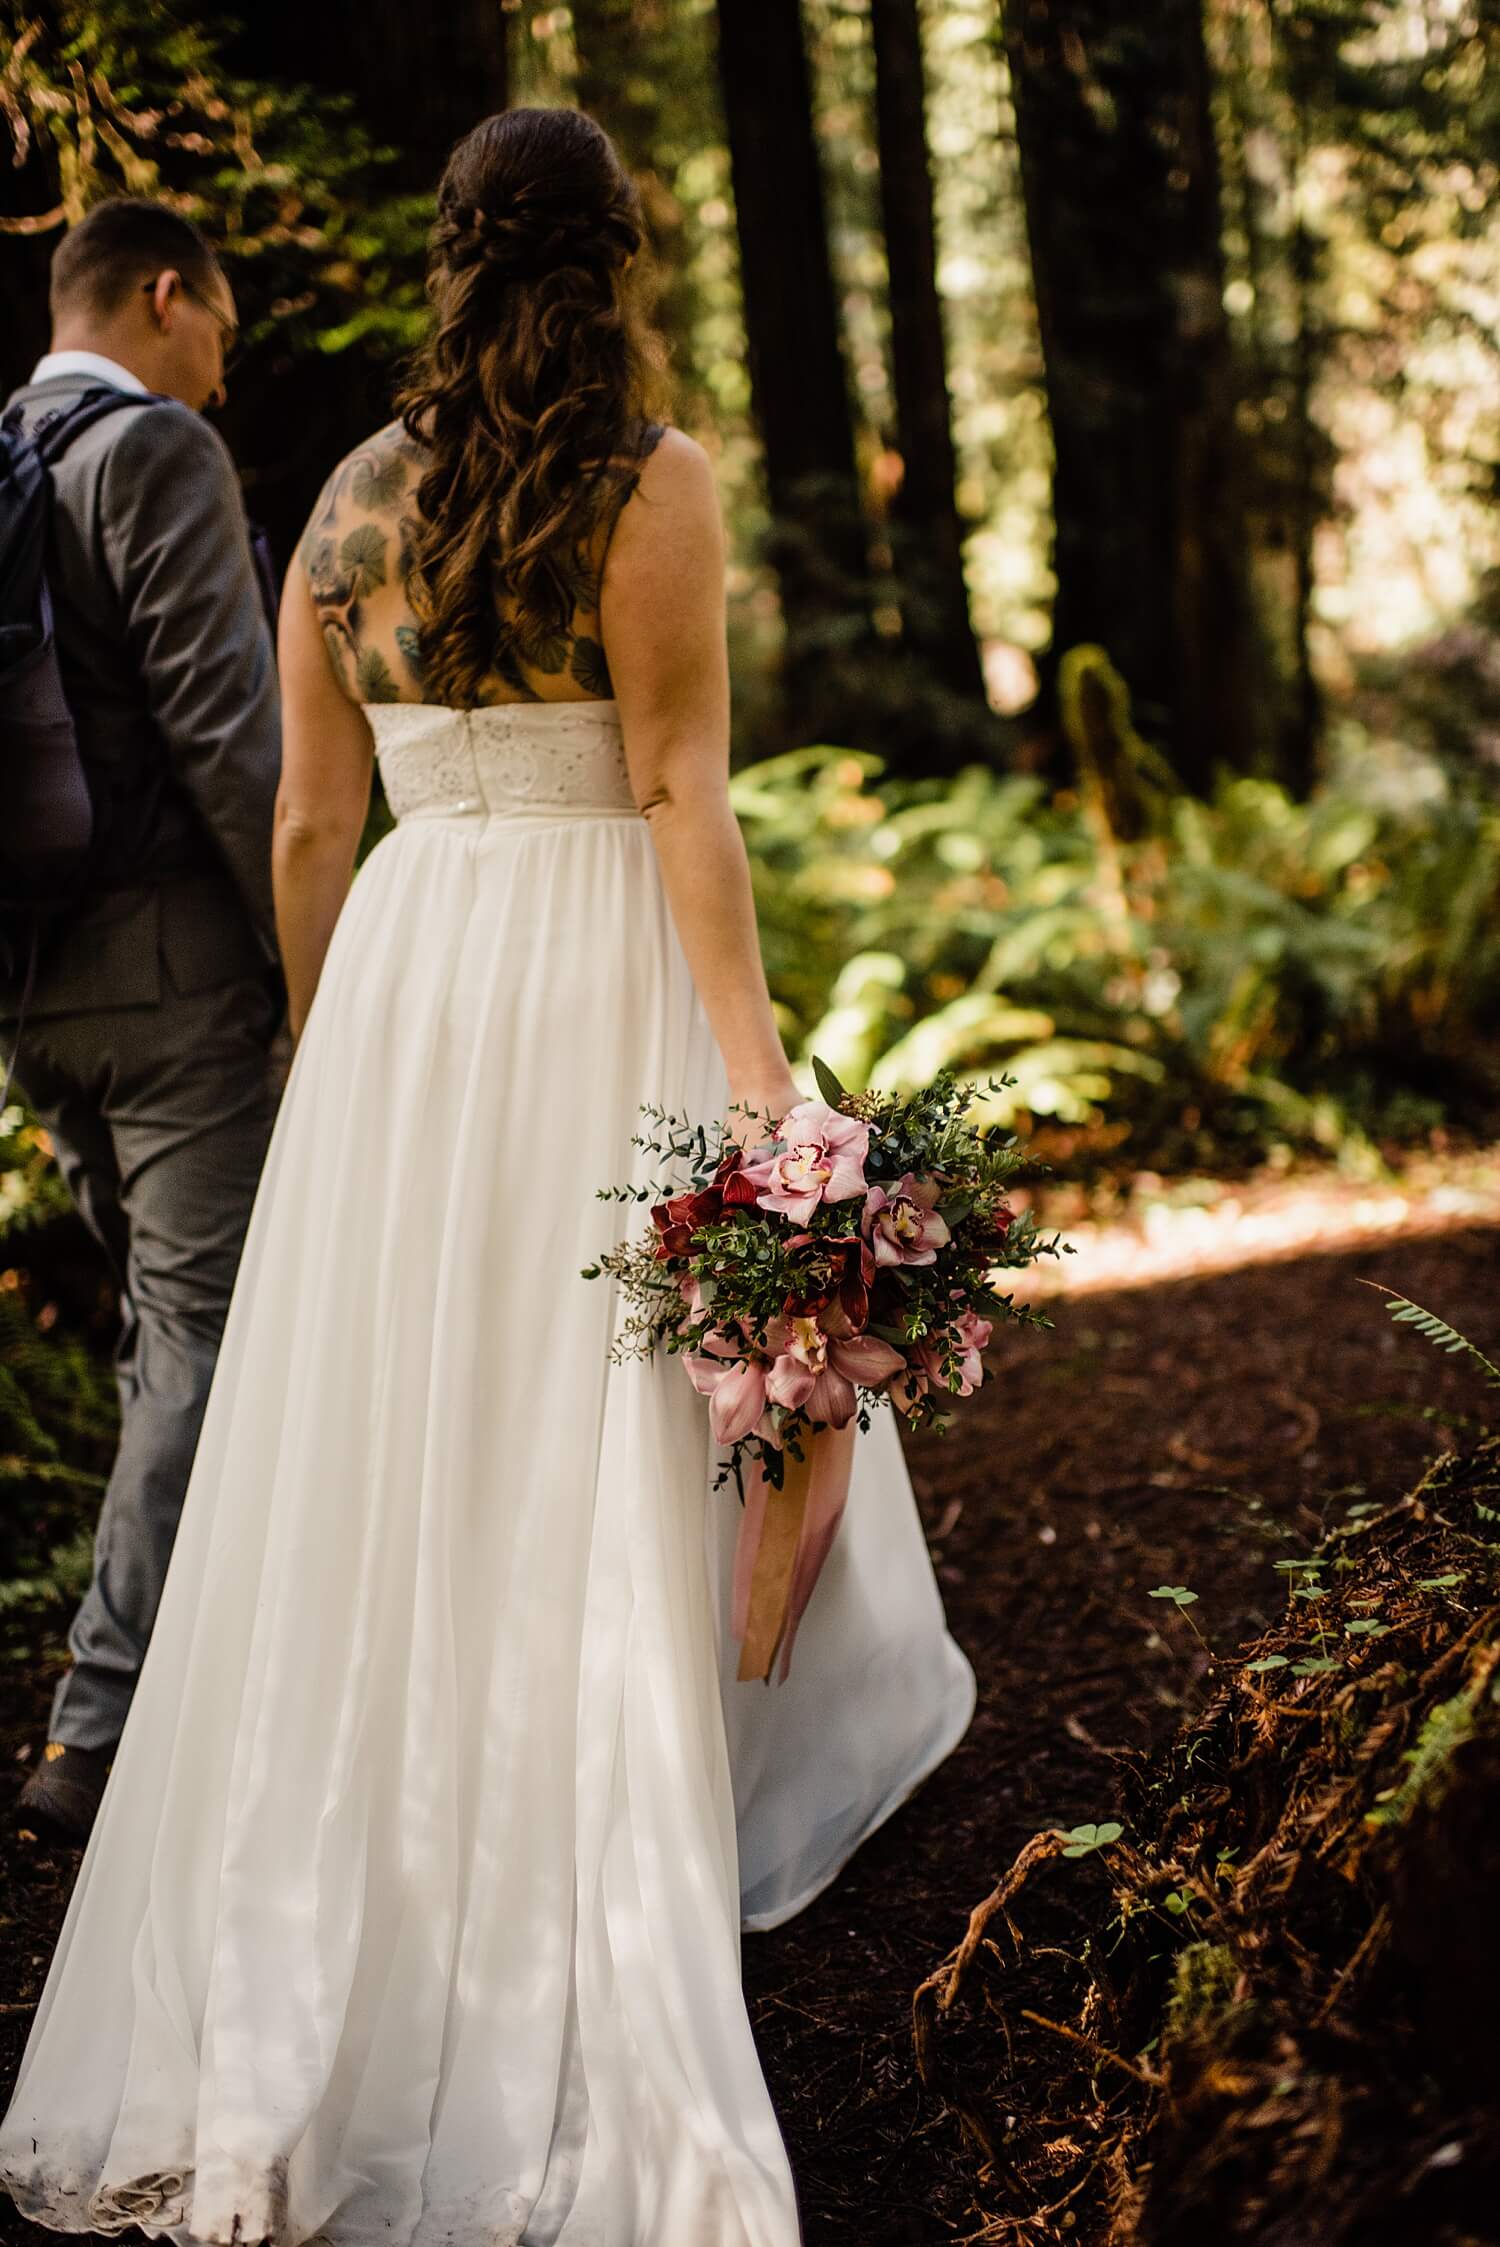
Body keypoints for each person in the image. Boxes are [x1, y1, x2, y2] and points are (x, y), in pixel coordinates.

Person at [0, 111, 973, 2245]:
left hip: (409, 992)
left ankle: (364, 1908)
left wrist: (344, 1059)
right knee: (587, 1433)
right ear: (611, 257)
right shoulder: (654, 482)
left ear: (446, 261)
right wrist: (759, 1091)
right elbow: (679, 789)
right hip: (596, 963)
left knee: (398, 1454)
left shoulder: (347, 503)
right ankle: (580, 1871)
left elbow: (305, 832)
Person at [1, 199, 281, 1844]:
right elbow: (231, 745)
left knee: (151, 1338)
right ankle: (95, 1735)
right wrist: (320, 968)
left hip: (31, 994)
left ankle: (190, 1677)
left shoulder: (8, 450)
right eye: (220, 338)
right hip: (172, 985)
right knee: (197, 1341)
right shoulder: (151, 455)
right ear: (167, 296)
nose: (221, 381)